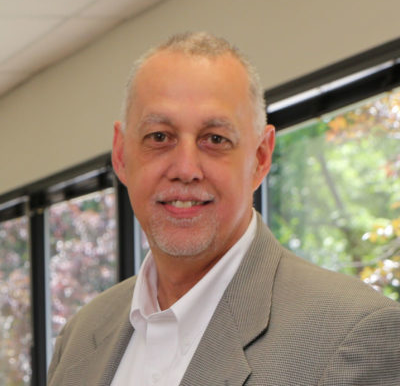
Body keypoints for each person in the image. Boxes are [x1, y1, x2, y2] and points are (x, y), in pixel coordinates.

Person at [47, 32, 400, 386]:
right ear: (121, 155)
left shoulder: (352, 335)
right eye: (159, 137)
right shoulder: (79, 340)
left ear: (261, 158)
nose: (185, 169)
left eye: (215, 139)